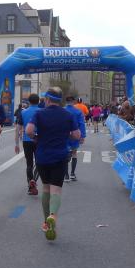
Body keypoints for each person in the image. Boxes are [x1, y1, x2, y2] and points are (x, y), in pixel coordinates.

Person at [26, 87, 81, 241]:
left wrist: (36, 138)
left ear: (48, 99)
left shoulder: (39, 113)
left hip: (42, 156)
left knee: (46, 188)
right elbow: (77, 135)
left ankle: (46, 221)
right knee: (56, 190)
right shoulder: (68, 115)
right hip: (60, 156)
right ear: (59, 100)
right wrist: (67, 134)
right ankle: (53, 216)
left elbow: (29, 131)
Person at [15, 93, 41, 195]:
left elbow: (17, 129)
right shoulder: (42, 111)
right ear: (39, 101)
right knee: (39, 163)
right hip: (39, 140)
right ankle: (34, 180)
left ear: (29, 102)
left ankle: (30, 184)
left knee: (29, 164)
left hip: (26, 140)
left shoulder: (23, 112)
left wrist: (16, 144)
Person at [64, 96, 86, 182]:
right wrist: (82, 136)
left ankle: (66, 175)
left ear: (66, 102)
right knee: (74, 153)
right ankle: (72, 174)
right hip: (75, 134)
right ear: (73, 102)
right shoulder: (78, 111)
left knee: (65, 154)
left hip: (64, 135)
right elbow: (82, 124)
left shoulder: (62, 110)